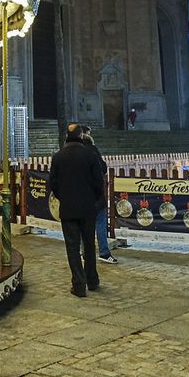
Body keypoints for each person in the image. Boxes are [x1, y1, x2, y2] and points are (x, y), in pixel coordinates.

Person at [48, 123, 106, 296]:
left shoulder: (58, 157)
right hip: (88, 209)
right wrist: (92, 198)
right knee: (89, 245)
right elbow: (98, 182)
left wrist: (64, 198)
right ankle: (93, 280)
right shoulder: (90, 154)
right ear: (81, 136)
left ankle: (79, 285)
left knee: (72, 247)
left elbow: (53, 184)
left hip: (68, 209)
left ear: (66, 136)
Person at [77, 125, 118, 264]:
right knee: (100, 223)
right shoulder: (92, 151)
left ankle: (84, 253)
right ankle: (104, 252)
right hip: (95, 196)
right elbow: (103, 168)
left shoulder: (73, 152)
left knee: (83, 225)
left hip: (80, 196)